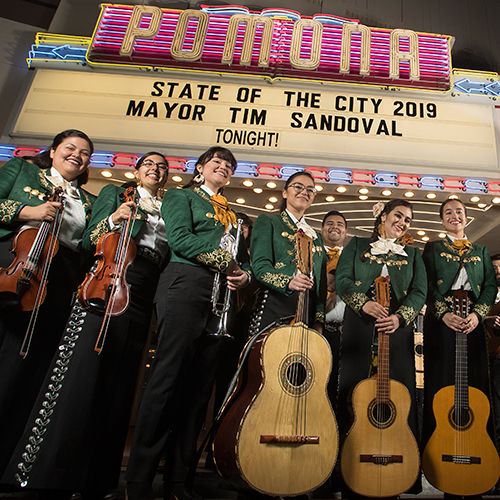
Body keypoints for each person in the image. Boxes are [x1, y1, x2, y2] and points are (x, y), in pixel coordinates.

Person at [1, 152, 169, 499]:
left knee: (121, 382)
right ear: (136, 170)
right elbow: (90, 236)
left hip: (145, 287)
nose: (155, 169)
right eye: (148, 164)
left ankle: (97, 478)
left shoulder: (169, 208)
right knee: (82, 375)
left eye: (162, 166)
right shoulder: (116, 193)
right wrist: (113, 219)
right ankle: (48, 473)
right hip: (109, 278)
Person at [125, 146, 250, 500]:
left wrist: (244, 276)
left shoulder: (233, 215)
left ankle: (179, 481)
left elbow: (243, 260)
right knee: (165, 381)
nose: (223, 168)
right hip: (185, 285)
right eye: (217, 163)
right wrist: (229, 264)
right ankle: (139, 480)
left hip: (219, 298)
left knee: (198, 392)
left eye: (228, 166)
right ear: (200, 168)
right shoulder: (182, 196)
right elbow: (179, 239)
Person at [0, 129, 95, 479]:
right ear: (53, 151)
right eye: (70, 148)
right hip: (14, 264)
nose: (77, 156)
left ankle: (9, 464)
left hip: (59, 278)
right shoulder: (20, 169)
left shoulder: (86, 200)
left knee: (30, 368)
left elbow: (85, 244)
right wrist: (28, 211)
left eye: (84, 153)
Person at [335, 199, 427, 495]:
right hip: (359, 324)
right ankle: (346, 472)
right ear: (383, 216)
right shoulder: (358, 243)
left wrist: (401, 318)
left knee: (401, 398)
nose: (403, 222)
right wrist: (365, 304)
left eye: (408, 220)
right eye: (398, 216)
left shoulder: (413, 253)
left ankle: (400, 475)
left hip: (397, 329)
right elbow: (343, 280)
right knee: (350, 391)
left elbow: (419, 291)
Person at [421, 199, 497, 494]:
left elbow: (489, 286)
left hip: (473, 326)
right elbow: (426, 285)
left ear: (467, 218)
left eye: (459, 212)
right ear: (442, 220)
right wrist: (443, 313)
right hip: (442, 328)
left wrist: (478, 315)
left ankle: (478, 454)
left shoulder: (480, 252)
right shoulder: (433, 249)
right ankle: (440, 459)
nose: (455, 216)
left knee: (476, 389)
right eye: (448, 213)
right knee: (441, 389)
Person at [248, 171, 326, 337]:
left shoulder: (316, 236)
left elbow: (321, 286)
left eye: (310, 190)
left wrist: (319, 321)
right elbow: (260, 267)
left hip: (307, 310)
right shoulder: (269, 222)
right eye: (298, 187)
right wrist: (288, 282)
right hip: (276, 303)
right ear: (284, 193)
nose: (304, 192)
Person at [321, 210, 348, 410]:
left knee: (341, 388)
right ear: (322, 229)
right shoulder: (311, 254)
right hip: (317, 329)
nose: (335, 227)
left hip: (345, 333)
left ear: (345, 232)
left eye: (340, 224)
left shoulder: (354, 258)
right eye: (330, 223)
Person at [485, 254, 500, 495]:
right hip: (489, 361)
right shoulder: (486, 296)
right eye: (495, 268)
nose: (498, 271)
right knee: (493, 418)